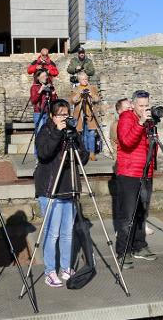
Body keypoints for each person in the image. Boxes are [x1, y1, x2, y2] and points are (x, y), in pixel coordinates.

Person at [34, 99, 89, 287]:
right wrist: (58, 131)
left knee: (67, 233)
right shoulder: (46, 130)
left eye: (66, 114)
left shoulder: (72, 131)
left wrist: (75, 142)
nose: (64, 118)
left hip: (69, 186)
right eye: (60, 114)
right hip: (51, 189)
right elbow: (44, 153)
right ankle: (50, 270)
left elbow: (83, 156)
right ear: (52, 116)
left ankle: (66, 266)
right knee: (53, 233)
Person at [114, 90, 157, 269]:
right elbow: (126, 141)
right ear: (133, 105)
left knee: (141, 212)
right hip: (130, 173)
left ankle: (139, 246)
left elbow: (153, 145)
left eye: (147, 105)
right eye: (141, 106)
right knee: (128, 215)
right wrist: (140, 123)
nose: (145, 109)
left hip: (146, 172)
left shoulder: (149, 121)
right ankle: (123, 252)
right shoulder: (126, 118)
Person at [70, 72, 101, 161]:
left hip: (90, 114)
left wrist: (91, 94)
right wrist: (79, 93)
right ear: (79, 80)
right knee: (81, 134)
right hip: (80, 115)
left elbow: (97, 99)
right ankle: (84, 153)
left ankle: (92, 153)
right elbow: (72, 101)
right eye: (83, 79)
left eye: (86, 79)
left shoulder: (92, 88)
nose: (85, 81)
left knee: (91, 133)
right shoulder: (76, 89)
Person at [31, 70, 58, 157]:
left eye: (46, 76)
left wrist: (53, 94)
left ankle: (46, 154)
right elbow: (33, 100)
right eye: (42, 76)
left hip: (47, 113)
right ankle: (37, 156)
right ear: (38, 78)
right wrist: (40, 91)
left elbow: (54, 102)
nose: (45, 78)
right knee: (39, 134)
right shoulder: (34, 87)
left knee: (48, 134)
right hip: (39, 113)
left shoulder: (49, 87)